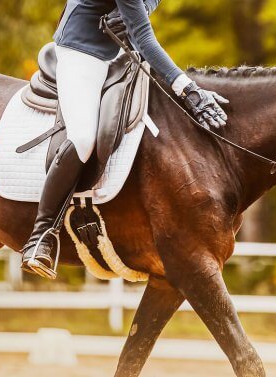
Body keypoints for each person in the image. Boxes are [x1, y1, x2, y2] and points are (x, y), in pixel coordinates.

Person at [21, 0, 230, 278]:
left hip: (119, 48)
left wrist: (138, 9)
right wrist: (188, 89)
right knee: (83, 138)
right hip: (83, 48)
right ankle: (42, 235)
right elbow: (144, 37)